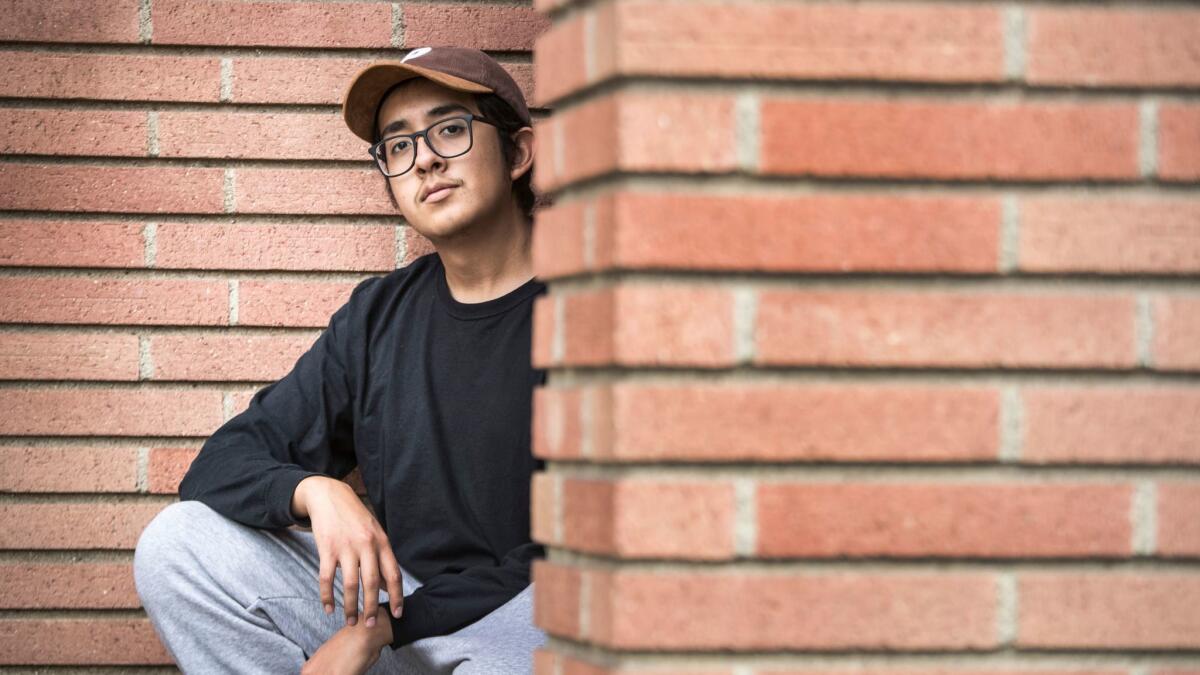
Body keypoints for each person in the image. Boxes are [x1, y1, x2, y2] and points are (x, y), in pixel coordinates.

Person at [133, 46, 550, 674]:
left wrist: (376, 631)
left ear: (518, 153)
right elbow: (224, 461)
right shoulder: (378, 316)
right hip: (403, 610)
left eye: (451, 130)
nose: (426, 159)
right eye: (398, 146)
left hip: (522, 624)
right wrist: (315, 490)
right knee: (178, 544)